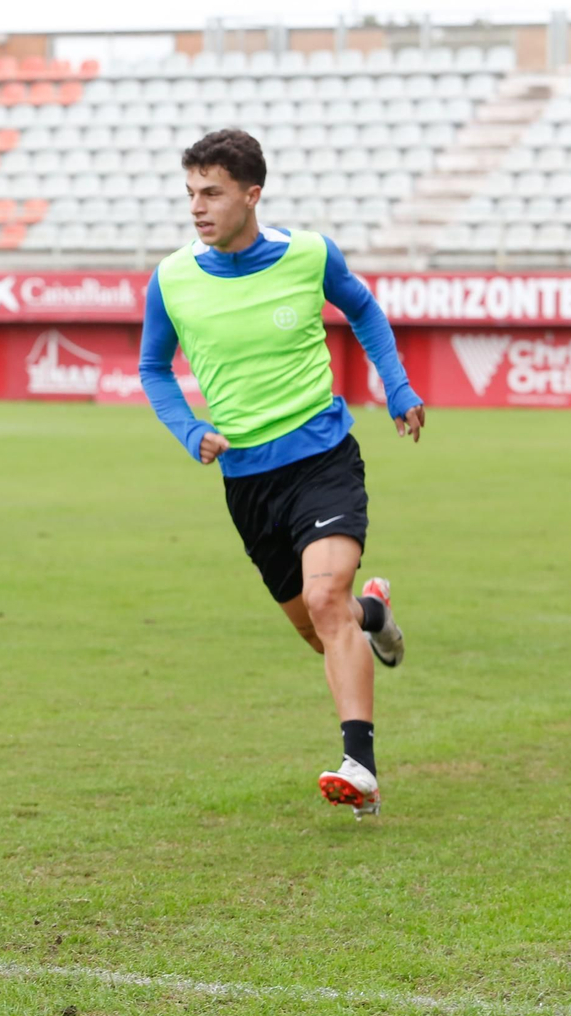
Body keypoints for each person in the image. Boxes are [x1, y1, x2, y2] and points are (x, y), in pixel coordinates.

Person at [139, 129, 424, 821]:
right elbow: (153, 369)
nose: (198, 208)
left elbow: (363, 309)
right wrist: (190, 430)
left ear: (251, 194)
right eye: (190, 194)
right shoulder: (172, 279)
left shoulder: (309, 254)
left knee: (326, 603)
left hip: (323, 459)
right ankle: (374, 615)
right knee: (322, 623)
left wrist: (397, 386)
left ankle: (360, 766)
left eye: (212, 193)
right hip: (248, 482)